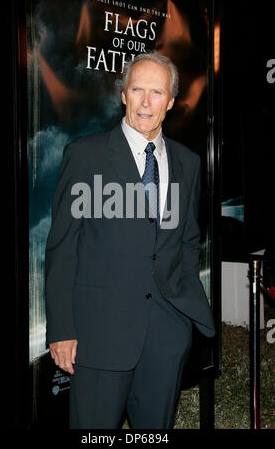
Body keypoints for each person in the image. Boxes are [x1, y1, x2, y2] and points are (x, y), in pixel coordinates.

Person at [45, 51, 215, 429]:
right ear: (123, 94)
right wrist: (62, 330)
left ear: (171, 101)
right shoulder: (85, 156)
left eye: (157, 92)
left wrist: (181, 318)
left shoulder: (187, 163)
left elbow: (188, 242)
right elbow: (62, 249)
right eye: (137, 89)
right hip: (98, 335)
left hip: (166, 337)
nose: (145, 101)